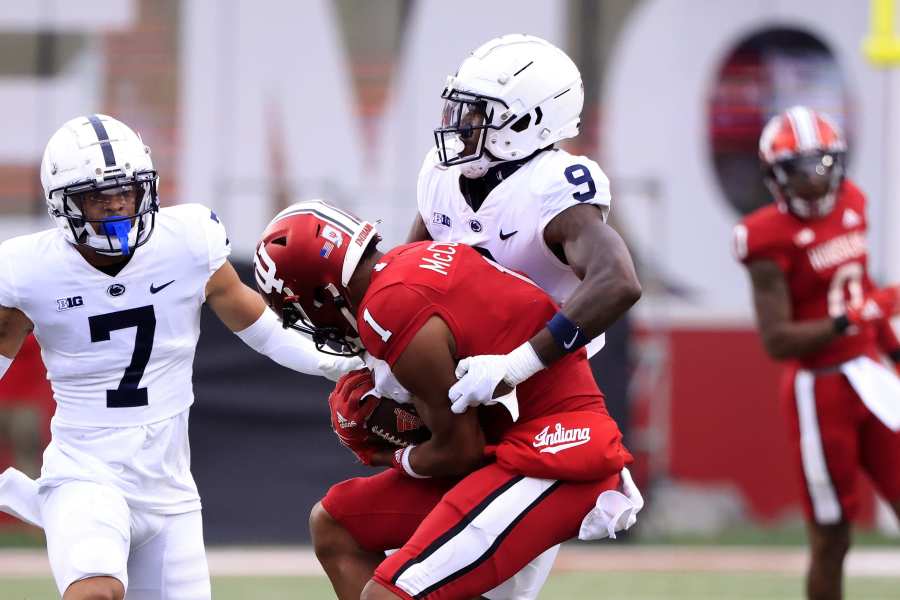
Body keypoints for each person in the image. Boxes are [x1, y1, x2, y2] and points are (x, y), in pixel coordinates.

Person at [0, 114, 360, 600]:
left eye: (125, 193)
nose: (116, 207)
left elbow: (260, 327)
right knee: (95, 592)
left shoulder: (186, 241)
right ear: (63, 205)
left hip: (170, 490)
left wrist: (337, 363)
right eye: (98, 199)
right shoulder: (28, 271)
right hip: (86, 471)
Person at [253, 200, 643, 600]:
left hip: (558, 455)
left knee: (389, 595)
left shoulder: (390, 308)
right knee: (335, 524)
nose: (312, 324)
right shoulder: (408, 262)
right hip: (510, 449)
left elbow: (460, 451)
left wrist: (389, 453)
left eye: (300, 309)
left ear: (323, 292)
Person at [403, 33, 640, 414]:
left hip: (550, 388)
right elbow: (408, 277)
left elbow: (618, 281)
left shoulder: (550, 185)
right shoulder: (441, 174)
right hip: (463, 380)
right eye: (460, 110)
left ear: (527, 120)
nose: (461, 125)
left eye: (477, 112)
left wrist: (515, 367)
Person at [733, 106, 900, 600]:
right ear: (776, 177)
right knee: (833, 535)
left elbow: (863, 284)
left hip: (868, 374)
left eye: (824, 166)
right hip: (819, 388)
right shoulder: (763, 236)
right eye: (801, 171)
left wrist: (892, 351)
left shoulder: (854, 202)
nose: (814, 181)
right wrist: (854, 318)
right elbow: (777, 340)